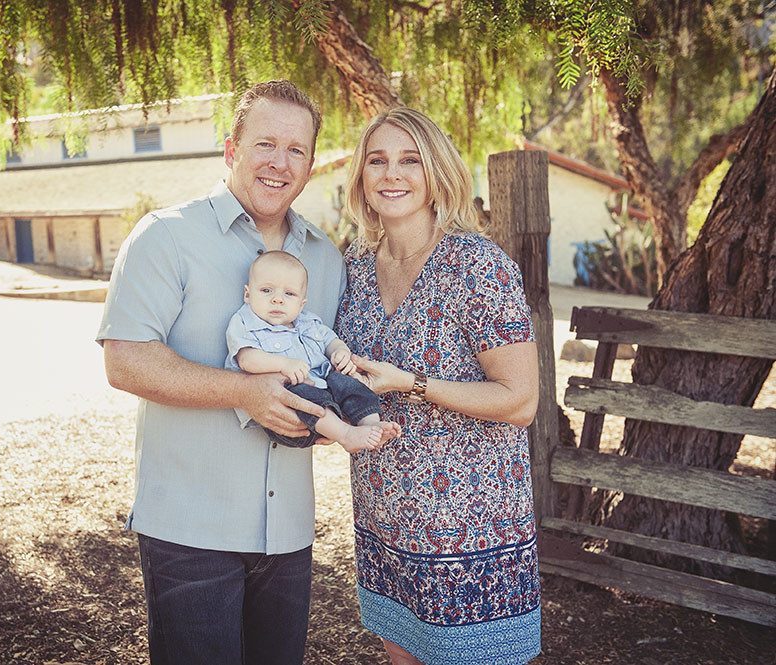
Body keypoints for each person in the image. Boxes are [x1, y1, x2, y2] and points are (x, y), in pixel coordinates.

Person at [96, 80, 345, 665]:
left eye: (296, 150)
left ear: (311, 164)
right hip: (189, 530)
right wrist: (243, 391)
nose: (279, 163)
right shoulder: (166, 236)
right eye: (265, 144)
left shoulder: (327, 260)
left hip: (288, 535)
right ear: (231, 149)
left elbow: (327, 368)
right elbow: (124, 358)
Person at [335, 107, 541, 665]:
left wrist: (413, 383)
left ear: (437, 174)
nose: (391, 174)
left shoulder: (477, 265)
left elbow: (520, 401)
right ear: (361, 177)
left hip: (472, 532)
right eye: (377, 160)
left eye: (410, 160)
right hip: (385, 517)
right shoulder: (351, 270)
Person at [226, 250, 401, 453]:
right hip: (288, 413)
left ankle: (370, 423)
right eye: (266, 290)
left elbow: (331, 341)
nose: (277, 299)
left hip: (326, 394)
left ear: (301, 304)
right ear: (248, 294)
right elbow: (247, 359)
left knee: (348, 382)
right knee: (303, 395)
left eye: (289, 293)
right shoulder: (245, 322)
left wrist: (340, 353)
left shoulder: (308, 322)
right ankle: (345, 435)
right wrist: (283, 364)